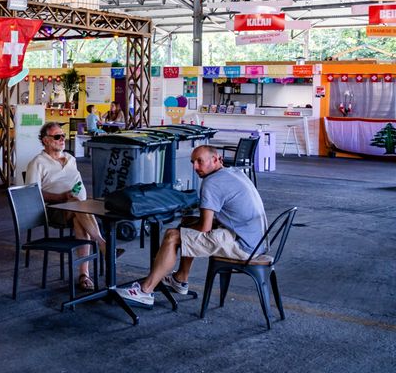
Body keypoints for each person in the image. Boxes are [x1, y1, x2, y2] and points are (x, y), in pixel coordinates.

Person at [116, 145, 268, 307]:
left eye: (200, 162)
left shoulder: (212, 183)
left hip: (244, 247)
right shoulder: (234, 172)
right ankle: (180, 278)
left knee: (172, 236)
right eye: (193, 162)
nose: (195, 167)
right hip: (257, 240)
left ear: (216, 159)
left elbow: (205, 228)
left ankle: (145, 291)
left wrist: (179, 231)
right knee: (187, 222)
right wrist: (186, 227)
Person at [25, 121, 112, 291]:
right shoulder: (37, 163)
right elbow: (32, 193)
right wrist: (60, 197)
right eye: (57, 136)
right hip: (54, 209)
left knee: (79, 215)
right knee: (77, 206)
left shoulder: (71, 158)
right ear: (46, 140)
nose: (62, 139)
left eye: (63, 136)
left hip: (77, 207)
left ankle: (84, 275)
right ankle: (102, 244)